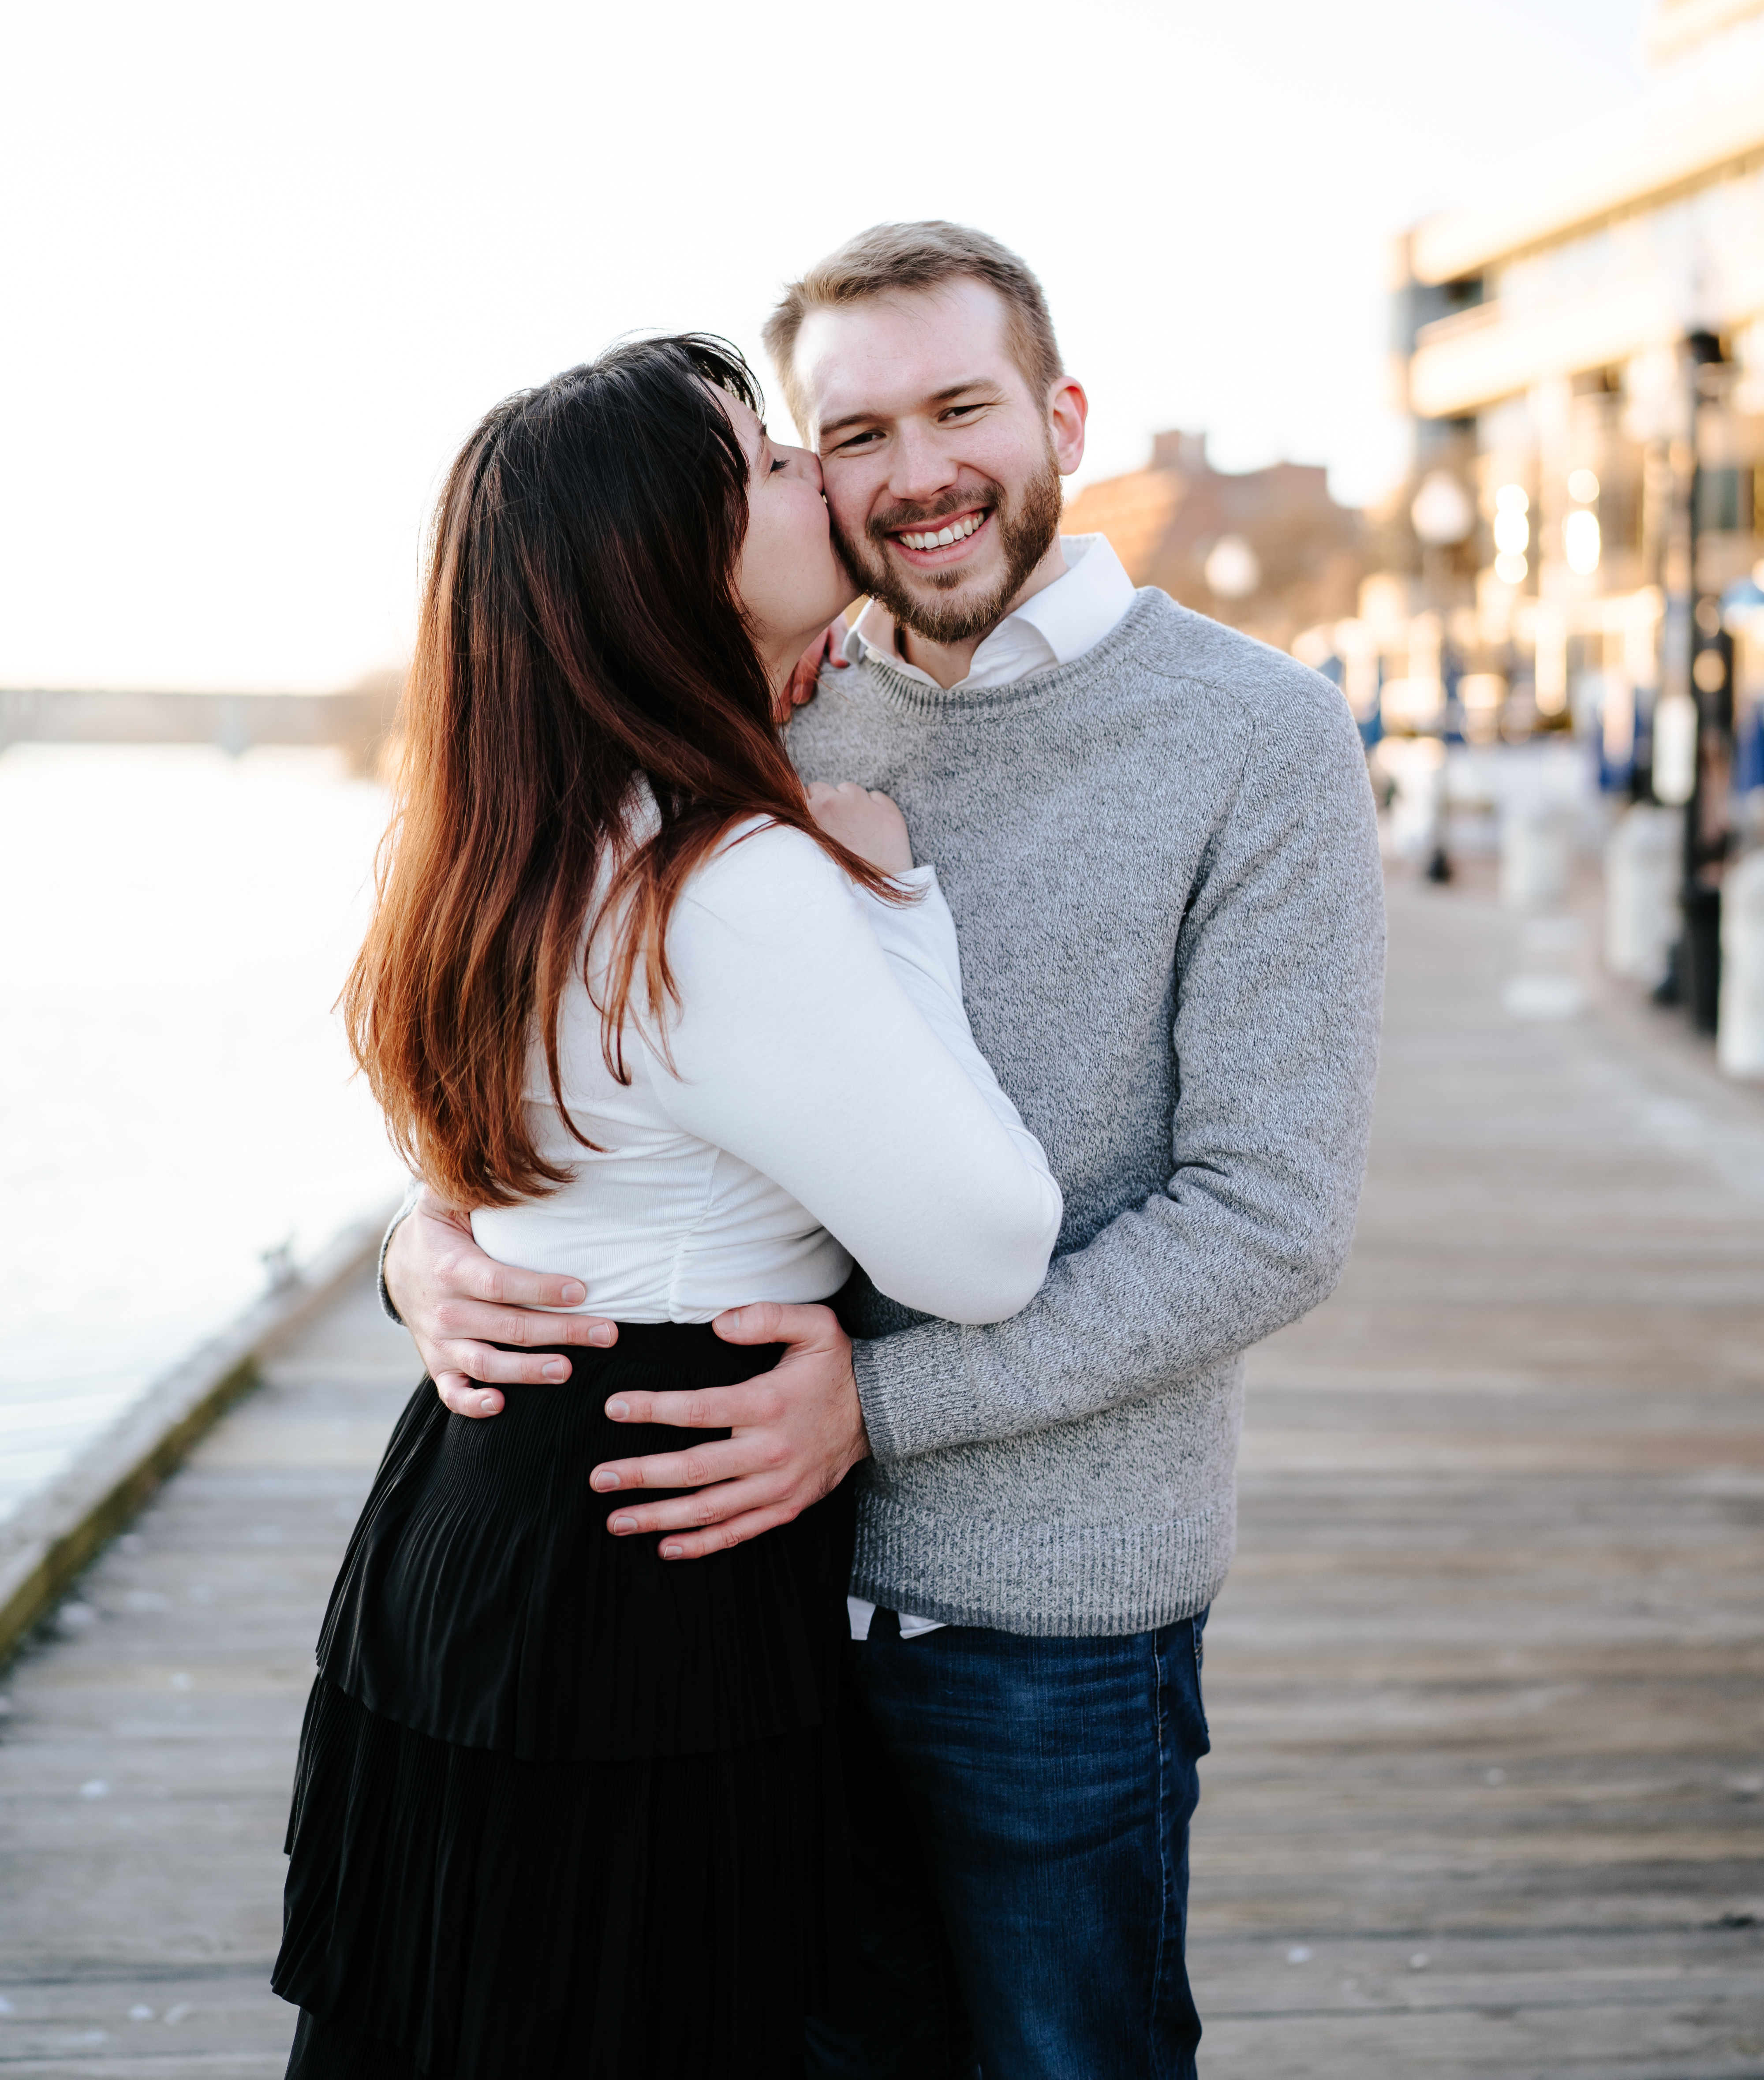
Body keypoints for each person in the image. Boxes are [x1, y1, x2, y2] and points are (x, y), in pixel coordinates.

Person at [384, 222, 1386, 2078]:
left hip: (1039, 1616)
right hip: (728, 1610)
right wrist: (427, 1244)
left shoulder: (1258, 736)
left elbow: (1270, 1219)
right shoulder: (754, 699)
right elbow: (560, 1039)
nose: (914, 475)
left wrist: (875, 1412)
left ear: (1061, 415)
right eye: (848, 433)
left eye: (961, 409)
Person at [273, 332, 1062, 2080]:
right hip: (640, 1561)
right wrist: (897, 901)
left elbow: (522, 1166)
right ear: (664, 562)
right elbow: (987, 1249)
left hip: (472, 1522)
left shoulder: (513, 843)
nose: (812, 472)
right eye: (762, 462)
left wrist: (422, 1246)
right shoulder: (737, 878)